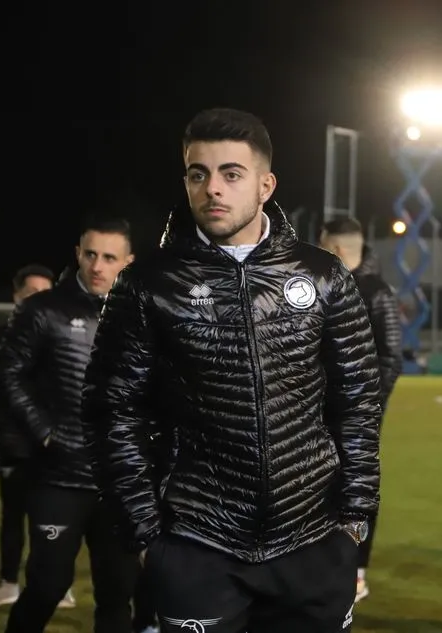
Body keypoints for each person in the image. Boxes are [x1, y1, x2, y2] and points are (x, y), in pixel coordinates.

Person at [83, 107, 383, 633]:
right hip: (196, 542)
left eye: (231, 173)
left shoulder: (323, 275)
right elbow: (112, 410)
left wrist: (355, 517)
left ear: (266, 185)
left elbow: (358, 398)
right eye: (198, 174)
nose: (213, 188)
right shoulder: (148, 283)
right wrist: (146, 534)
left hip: (312, 539)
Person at [0, 217, 139, 633]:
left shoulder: (141, 314)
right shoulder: (44, 309)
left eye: (109, 257)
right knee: (47, 587)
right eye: (90, 254)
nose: (97, 265)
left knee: (117, 595)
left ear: (127, 262)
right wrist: (45, 433)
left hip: (118, 483)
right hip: (59, 478)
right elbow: (8, 374)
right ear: (78, 253)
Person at [319, 217, 403, 603]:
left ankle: (356, 574)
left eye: (323, 246)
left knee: (357, 488)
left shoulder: (377, 292)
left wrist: (366, 410)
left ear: (336, 249)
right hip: (314, 413)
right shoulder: (319, 285)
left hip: (358, 417)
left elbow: (391, 357)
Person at [0, 265, 76, 610]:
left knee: (54, 520)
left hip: (55, 447)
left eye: (46, 293)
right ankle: (9, 583)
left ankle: (57, 585)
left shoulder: (63, 335)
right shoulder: (0, 339)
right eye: (31, 293)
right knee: (13, 516)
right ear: (17, 297)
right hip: (16, 445)